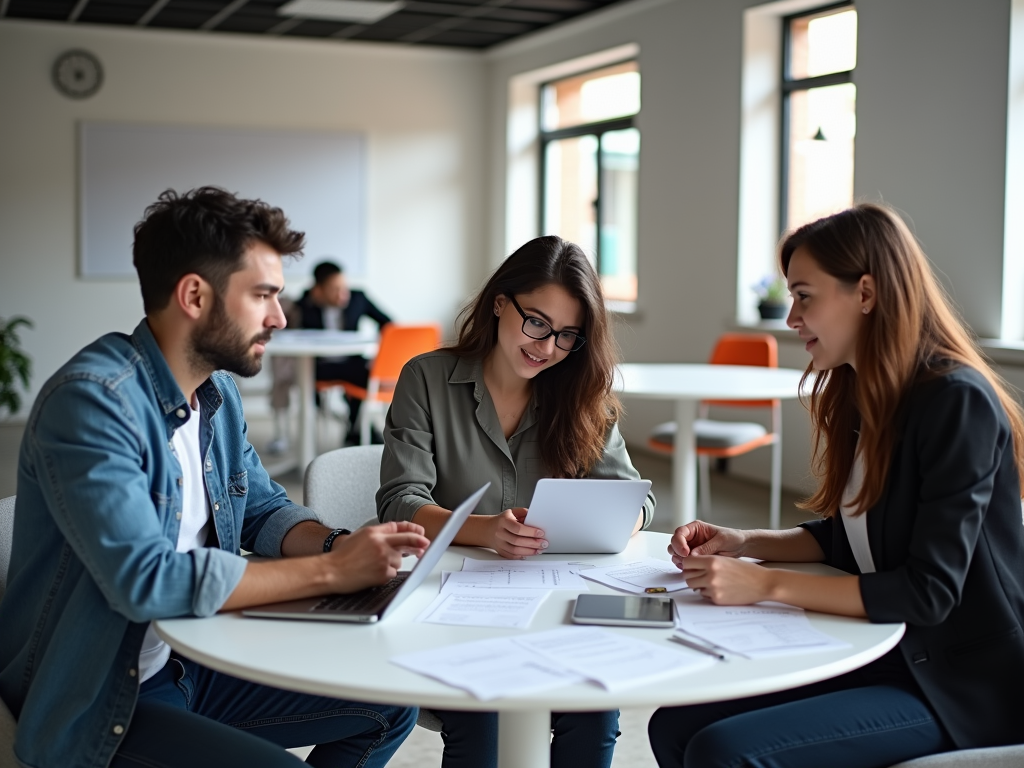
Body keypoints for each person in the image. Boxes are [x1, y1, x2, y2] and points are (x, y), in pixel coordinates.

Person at [0, 187, 431, 768]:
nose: (279, 317)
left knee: (389, 706)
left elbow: (259, 509)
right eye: (263, 296)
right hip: (102, 695)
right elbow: (146, 582)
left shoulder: (217, 393)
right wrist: (330, 571)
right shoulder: (94, 404)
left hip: (191, 657)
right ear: (195, 295)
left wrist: (339, 544)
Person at [648, 203, 1024, 768]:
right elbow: (855, 537)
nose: (791, 318)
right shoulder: (863, 393)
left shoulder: (955, 401)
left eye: (805, 296)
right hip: (895, 647)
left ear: (866, 293)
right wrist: (742, 540)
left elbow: (928, 591)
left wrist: (764, 585)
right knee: (674, 723)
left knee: (723, 751)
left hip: (965, 682)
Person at [377, 235, 656, 768]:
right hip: (451, 605)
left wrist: (623, 520)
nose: (548, 346)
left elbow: (637, 496)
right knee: (483, 723)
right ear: (501, 302)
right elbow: (399, 500)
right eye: (538, 323)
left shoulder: (581, 393)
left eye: (568, 335)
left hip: (559, 603)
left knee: (594, 713)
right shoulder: (427, 378)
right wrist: (485, 530)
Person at [268, 261, 392, 451]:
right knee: (303, 379)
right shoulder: (304, 304)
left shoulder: (358, 298)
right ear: (317, 290)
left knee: (366, 376)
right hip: (319, 366)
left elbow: (389, 324)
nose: (343, 294)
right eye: (335, 289)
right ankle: (309, 433)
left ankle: (357, 427)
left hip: (351, 362)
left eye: (344, 288)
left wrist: (381, 348)